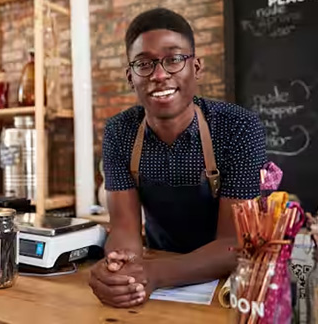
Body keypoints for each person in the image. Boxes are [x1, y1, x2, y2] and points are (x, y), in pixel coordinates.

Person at [89, 7, 267, 308]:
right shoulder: (120, 131)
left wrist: (154, 274)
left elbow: (234, 244)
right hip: (157, 280)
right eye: (144, 64)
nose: (159, 75)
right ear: (130, 77)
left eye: (174, 59)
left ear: (195, 67)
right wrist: (120, 270)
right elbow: (124, 229)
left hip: (228, 286)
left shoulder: (239, 127)